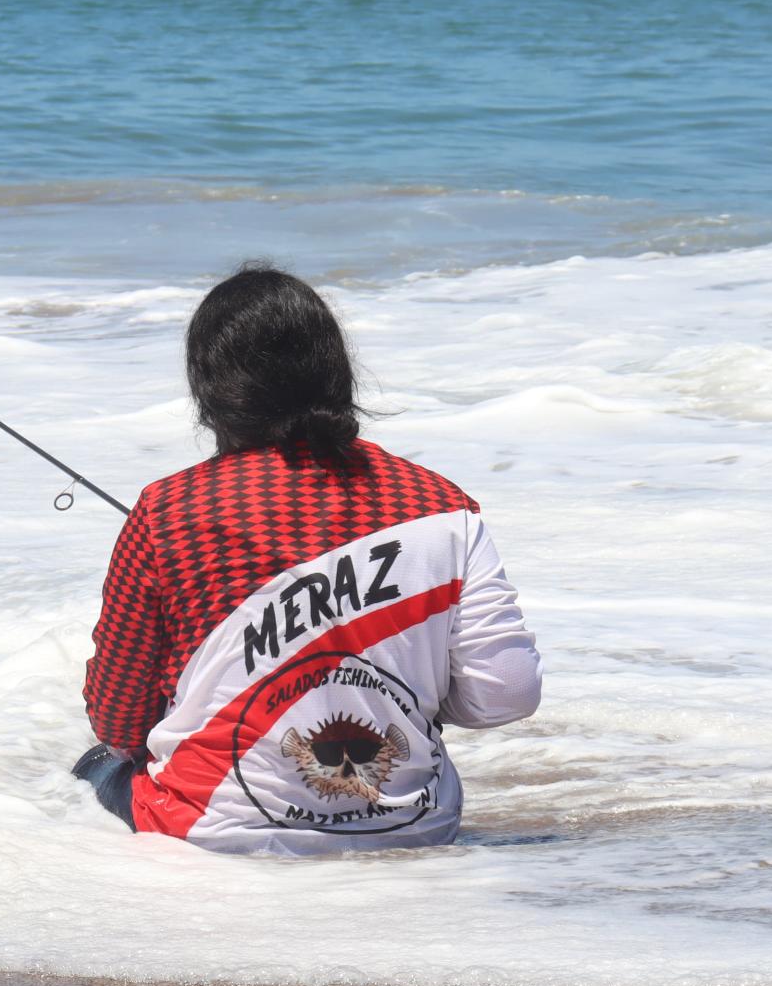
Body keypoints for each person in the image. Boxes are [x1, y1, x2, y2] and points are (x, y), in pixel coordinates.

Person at [73, 265, 542, 855]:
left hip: (213, 834)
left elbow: (118, 718)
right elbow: (509, 692)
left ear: (211, 391)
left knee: (93, 766)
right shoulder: (443, 506)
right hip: (413, 831)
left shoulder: (169, 510)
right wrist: (408, 688)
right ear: (335, 373)